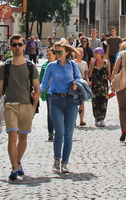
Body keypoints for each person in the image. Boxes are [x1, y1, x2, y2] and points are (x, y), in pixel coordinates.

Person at [0, 35, 40, 180]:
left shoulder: (30, 66)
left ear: (24, 46)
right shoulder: (5, 66)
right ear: (11, 47)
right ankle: (14, 167)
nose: (17, 47)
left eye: (20, 44)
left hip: (26, 105)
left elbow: (37, 88)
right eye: (14, 45)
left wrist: (33, 107)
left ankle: (18, 162)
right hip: (10, 105)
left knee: (23, 137)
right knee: (12, 135)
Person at [39, 40, 82, 173]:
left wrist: (76, 84)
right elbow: (44, 83)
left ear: (67, 53)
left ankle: (65, 163)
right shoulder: (51, 66)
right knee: (60, 132)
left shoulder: (73, 65)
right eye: (56, 51)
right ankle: (56, 160)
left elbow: (79, 79)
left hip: (71, 101)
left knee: (69, 133)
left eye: (60, 52)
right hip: (56, 100)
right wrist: (37, 91)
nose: (57, 54)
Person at [89, 47, 111, 127]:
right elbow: (90, 75)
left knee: (104, 102)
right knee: (95, 102)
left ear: (101, 54)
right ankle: (96, 118)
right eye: (94, 53)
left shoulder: (107, 63)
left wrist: (112, 84)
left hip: (104, 86)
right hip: (95, 86)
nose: (95, 55)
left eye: (96, 53)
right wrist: (91, 66)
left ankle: (102, 119)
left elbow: (109, 74)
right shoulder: (93, 63)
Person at [39, 48, 57, 141]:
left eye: (50, 54)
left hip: (59, 93)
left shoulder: (60, 65)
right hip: (49, 92)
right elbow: (41, 79)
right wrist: (41, 91)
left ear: (55, 55)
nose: (48, 56)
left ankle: (58, 131)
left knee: (59, 113)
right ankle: (50, 132)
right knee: (50, 113)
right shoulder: (44, 66)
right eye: (48, 55)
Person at [74, 48, 89, 126]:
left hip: (82, 84)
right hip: (75, 83)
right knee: (74, 102)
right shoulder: (73, 62)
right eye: (80, 52)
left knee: (82, 102)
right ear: (76, 53)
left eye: (82, 52)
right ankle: (73, 120)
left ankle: (81, 120)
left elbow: (86, 74)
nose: (82, 54)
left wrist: (87, 82)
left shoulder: (85, 63)